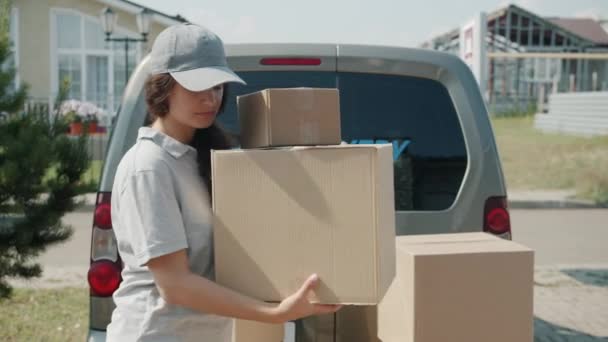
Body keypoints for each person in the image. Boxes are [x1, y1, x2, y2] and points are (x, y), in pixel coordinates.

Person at [106, 23, 340, 341]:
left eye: (217, 86)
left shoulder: (203, 156)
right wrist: (274, 313)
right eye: (197, 86)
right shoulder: (148, 167)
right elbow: (175, 285)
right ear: (163, 87)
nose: (210, 98)